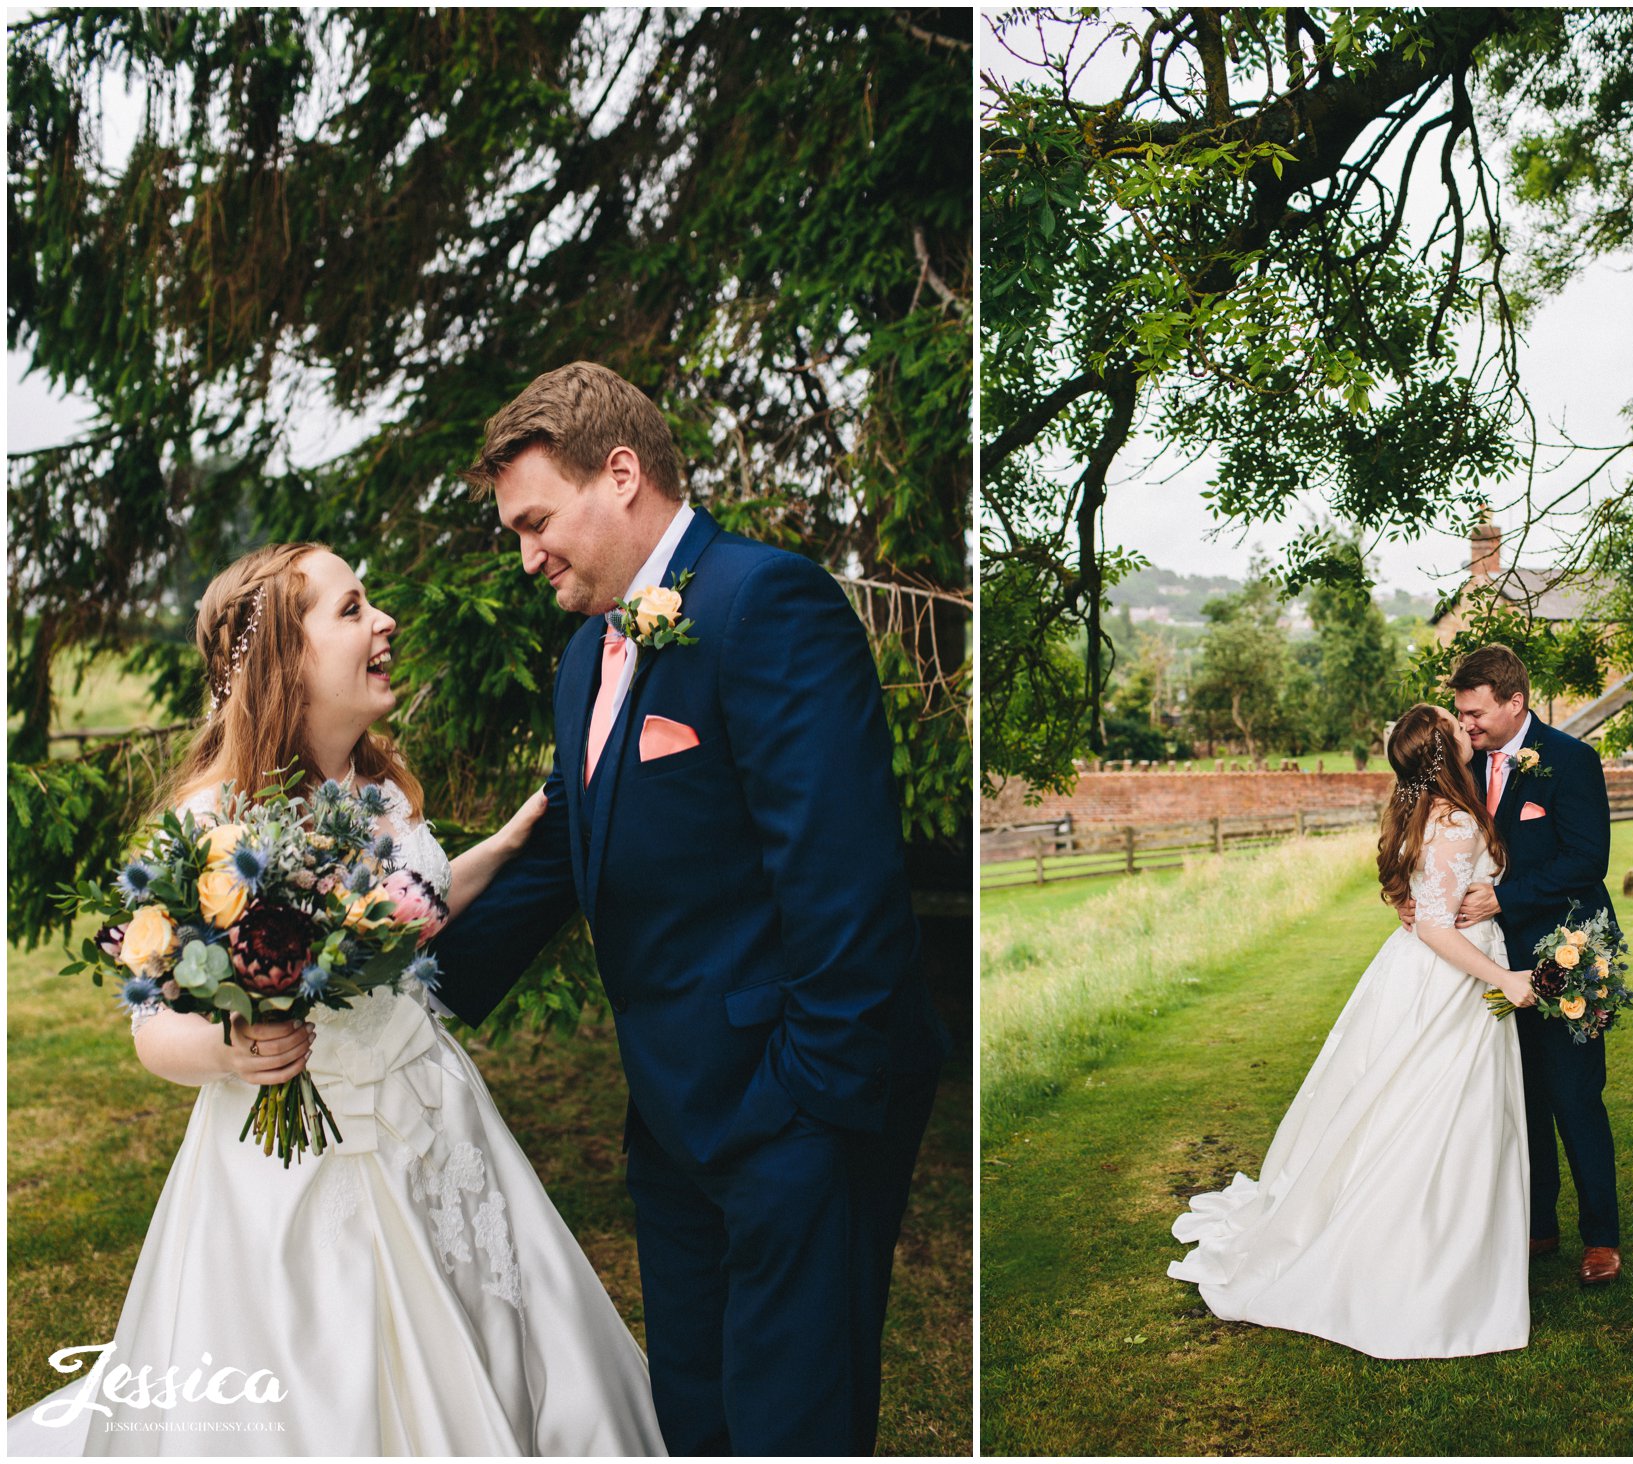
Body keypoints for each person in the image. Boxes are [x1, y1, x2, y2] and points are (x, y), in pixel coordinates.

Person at [7, 542, 666, 1456]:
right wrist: (230, 1052)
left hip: (437, 1113)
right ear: (287, 655)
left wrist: (509, 844)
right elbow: (153, 1028)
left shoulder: (379, 786)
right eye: (352, 610)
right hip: (297, 1166)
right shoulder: (211, 822)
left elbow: (402, 913)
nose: (384, 622)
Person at [427, 361, 948, 1456]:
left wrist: (806, 1104)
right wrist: (402, 986)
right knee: (697, 1413)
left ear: (619, 475)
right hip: (671, 1116)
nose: (526, 556)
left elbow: (841, 881)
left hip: (792, 1109)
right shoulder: (586, 658)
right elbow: (573, 844)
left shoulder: (768, 603)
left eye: (534, 522)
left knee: (790, 1419)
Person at [1167, 703, 1536, 1358]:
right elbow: (1434, 926)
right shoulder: (1451, 820)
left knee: (1402, 1106)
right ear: (1445, 753)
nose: (1464, 727)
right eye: (1455, 726)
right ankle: (1420, 1265)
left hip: (1418, 976)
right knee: (1440, 1115)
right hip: (1450, 982)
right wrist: (1503, 980)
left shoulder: (1417, 810)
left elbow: (1413, 903)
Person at [1443, 643, 1623, 1287]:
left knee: (1574, 1096)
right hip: (1493, 962)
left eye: (1474, 712)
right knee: (1519, 1099)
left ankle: (1601, 1236)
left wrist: (1505, 895)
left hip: (1563, 956)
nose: (1465, 723)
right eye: (1461, 713)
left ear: (1513, 701)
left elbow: (1586, 860)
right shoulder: (1461, 765)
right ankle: (1537, 1224)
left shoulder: (1572, 762)